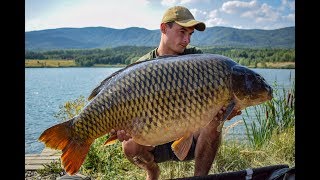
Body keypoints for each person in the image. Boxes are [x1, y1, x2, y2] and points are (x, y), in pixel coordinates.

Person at [110, 6, 241, 180]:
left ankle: (199, 177)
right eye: (182, 32)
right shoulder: (141, 68)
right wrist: (121, 128)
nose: (187, 40)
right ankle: (152, 171)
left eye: (190, 34)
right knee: (129, 146)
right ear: (164, 28)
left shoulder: (199, 62)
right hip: (155, 140)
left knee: (214, 123)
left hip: (191, 137)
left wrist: (223, 111)